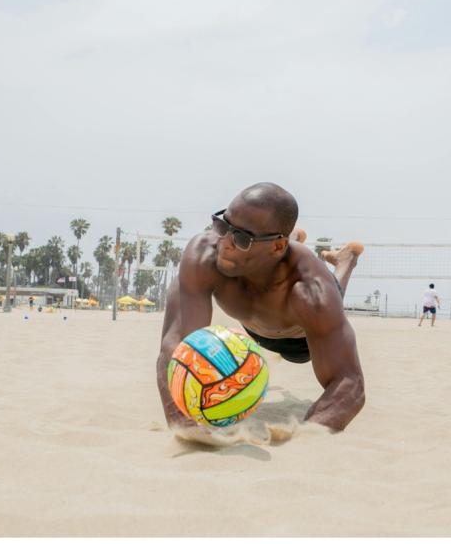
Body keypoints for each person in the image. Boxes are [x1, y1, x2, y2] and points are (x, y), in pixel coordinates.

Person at [156, 182, 366, 432]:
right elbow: (175, 344)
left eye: (241, 238)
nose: (224, 241)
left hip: (297, 339)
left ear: (278, 247)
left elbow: (349, 383)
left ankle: (345, 261)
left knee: (333, 296)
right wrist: (184, 425)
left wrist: (306, 437)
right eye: (222, 224)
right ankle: (293, 238)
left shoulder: (309, 290)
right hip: (252, 324)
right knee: (180, 283)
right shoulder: (205, 256)